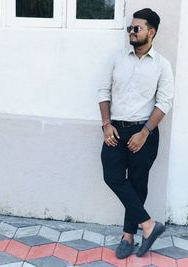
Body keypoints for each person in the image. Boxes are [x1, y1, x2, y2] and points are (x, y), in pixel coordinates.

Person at [98, 8, 174, 259]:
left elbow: (164, 102)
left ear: (151, 32)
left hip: (145, 132)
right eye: (130, 28)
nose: (131, 32)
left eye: (136, 28)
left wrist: (144, 132)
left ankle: (128, 236)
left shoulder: (162, 65)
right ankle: (149, 225)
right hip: (116, 130)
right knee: (113, 176)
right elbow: (103, 91)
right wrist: (107, 124)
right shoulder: (117, 58)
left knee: (138, 184)